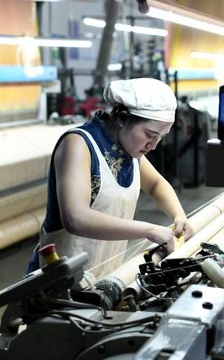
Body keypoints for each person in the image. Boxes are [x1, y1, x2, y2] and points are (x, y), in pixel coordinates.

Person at [26, 78, 195, 276]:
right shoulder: (79, 144)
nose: (154, 145)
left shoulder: (130, 149)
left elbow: (156, 184)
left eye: (161, 136)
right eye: (150, 134)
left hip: (103, 274)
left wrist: (179, 216)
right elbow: (76, 218)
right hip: (59, 280)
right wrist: (149, 230)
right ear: (122, 118)